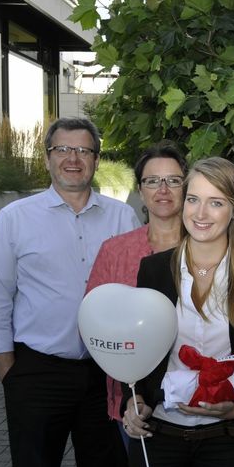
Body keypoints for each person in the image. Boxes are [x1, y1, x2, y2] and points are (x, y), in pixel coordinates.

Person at [0, 117, 139, 467]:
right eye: (62, 149)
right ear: (47, 157)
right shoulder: (14, 219)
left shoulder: (123, 218)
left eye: (83, 150)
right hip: (37, 373)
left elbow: (136, 294)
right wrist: (11, 376)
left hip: (106, 374)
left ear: (96, 159)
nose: (73, 158)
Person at [121, 157, 234, 467]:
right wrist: (134, 399)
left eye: (216, 203)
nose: (200, 213)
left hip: (229, 440)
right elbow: (136, 347)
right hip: (160, 437)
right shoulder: (154, 270)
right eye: (193, 199)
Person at [86, 140, 188, 450]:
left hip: (199, 400)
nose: (163, 189)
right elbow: (96, 323)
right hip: (134, 406)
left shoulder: (208, 249)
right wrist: (131, 398)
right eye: (153, 181)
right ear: (140, 190)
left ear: (186, 187)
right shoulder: (115, 251)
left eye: (173, 180)